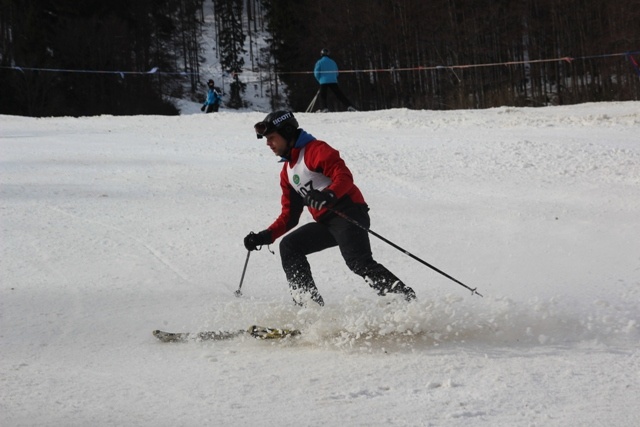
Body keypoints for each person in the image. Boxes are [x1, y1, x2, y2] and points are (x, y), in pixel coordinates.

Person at [244, 111, 415, 306]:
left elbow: (344, 177)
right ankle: (310, 307)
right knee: (290, 246)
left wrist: (328, 194)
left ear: (287, 132)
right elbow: (290, 215)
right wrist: (265, 236)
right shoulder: (288, 171)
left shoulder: (315, 150)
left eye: (272, 138)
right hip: (326, 223)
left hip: (348, 213)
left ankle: (407, 302)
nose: (268, 144)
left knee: (358, 262)